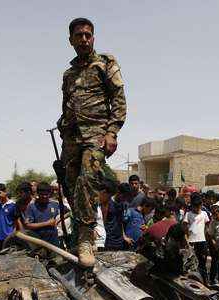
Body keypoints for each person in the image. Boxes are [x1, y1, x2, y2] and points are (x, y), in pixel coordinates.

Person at [57, 17, 126, 267]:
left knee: (88, 180)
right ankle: (78, 236)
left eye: (88, 35)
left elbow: (118, 97)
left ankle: (86, 240)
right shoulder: (68, 74)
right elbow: (66, 105)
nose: (84, 39)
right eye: (79, 35)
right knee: (72, 188)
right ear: (71, 40)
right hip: (71, 138)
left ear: (93, 38)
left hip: (96, 135)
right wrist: (62, 126)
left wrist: (113, 132)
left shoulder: (105, 63)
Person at [24, 182, 61, 247]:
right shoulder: (31, 207)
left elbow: (68, 212)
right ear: (38, 193)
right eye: (42, 194)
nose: (44, 196)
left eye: (46, 194)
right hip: (38, 241)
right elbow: (28, 225)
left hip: (54, 241)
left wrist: (58, 220)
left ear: (50, 193)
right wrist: (47, 223)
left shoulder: (54, 204)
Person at [183, 193, 210, 281]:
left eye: (198, 206)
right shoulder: (188, 214)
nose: (197, 208)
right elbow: (185, 230)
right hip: (192, 242)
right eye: (195, 206)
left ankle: (204, 281)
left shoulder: (204, 214)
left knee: (202, 264)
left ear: (201, 205)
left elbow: (207, 228)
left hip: (202, 242)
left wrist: (207, 240)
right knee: (191, 263)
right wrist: (187, 242)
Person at [0, 183, 17, 252]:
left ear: (5, 192)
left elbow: (16, 223)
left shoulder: (13, 205)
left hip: (7, 238)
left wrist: (12, 237)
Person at [207, 201, 219, 283]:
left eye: (215, 214)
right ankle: (212, 279)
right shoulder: (213, 221)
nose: (214, 216)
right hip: (216, 246)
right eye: (213, 214)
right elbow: (210, 235)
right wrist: (214, 243)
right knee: (214, 262)